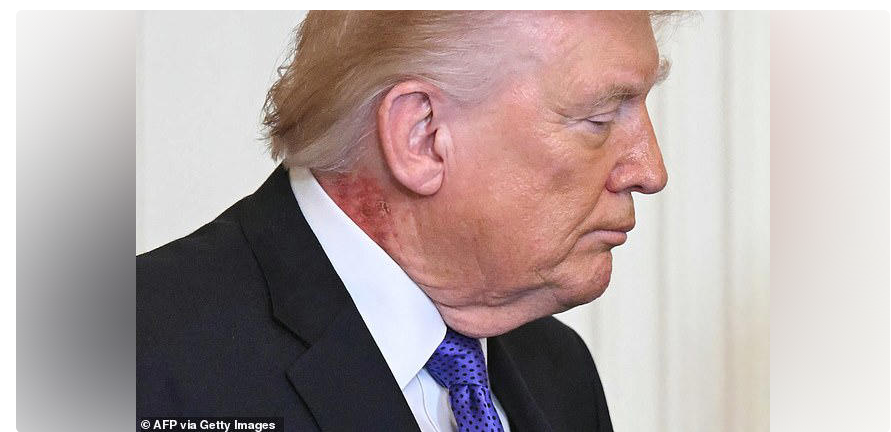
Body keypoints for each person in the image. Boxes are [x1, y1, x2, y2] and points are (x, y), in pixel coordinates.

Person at [138, 10, 670, 432]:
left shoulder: (558, 371)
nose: (651, 171)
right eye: (600, 119)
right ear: (422, 136)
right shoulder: (138, 358)